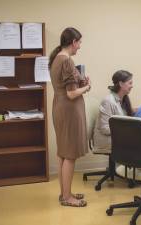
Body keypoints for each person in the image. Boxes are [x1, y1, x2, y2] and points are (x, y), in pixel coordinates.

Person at [49, 27, 91, 207]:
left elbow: (67, 87)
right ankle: (67, 198)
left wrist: (80, 82)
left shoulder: (56, 58)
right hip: (68, 110)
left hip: (59, 108)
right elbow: (72, 94)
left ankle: (65, 193)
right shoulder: (66, 61)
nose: (80, 46)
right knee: (70, 154)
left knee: (63, 153)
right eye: (79, 42)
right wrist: (87, 88)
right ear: (73, 42)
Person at [93, 70, 134, 150]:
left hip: (116, 137)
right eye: (130, 83)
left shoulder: (123, 99)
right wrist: (125, 130)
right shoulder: (108, 101)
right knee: (138, 142)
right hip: (105, 140)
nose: (132, 86)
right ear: (121, 84)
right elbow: (105, 128)